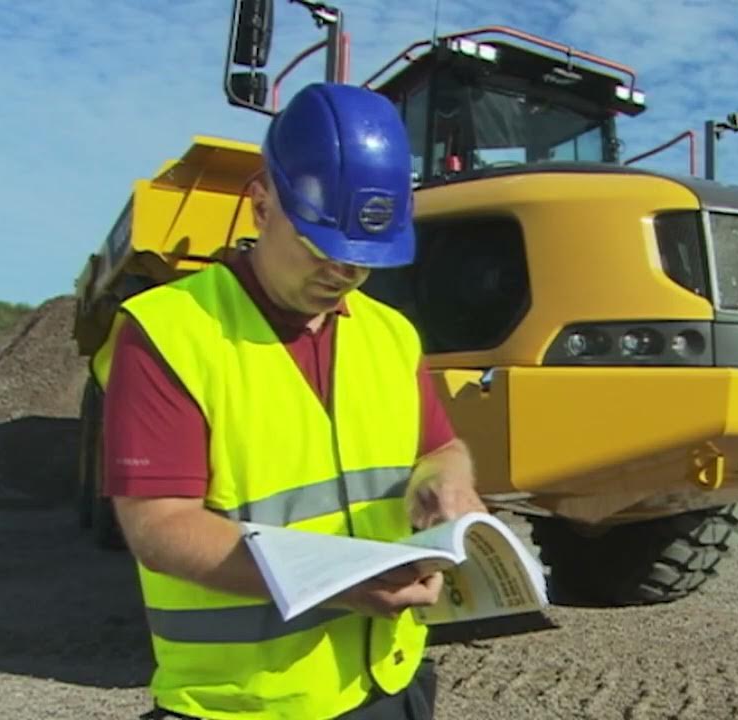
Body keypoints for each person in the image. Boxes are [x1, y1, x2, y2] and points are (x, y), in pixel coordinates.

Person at [94, 82, 487, 720]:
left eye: (361, 261)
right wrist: (337, 586)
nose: (341, 274)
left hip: (387, 683)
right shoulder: (169, 332)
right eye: (320, 247)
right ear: (260, 204)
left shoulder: (390, 334)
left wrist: (449, 479)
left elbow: (439, 446)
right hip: (244, 704)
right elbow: (160, 528)